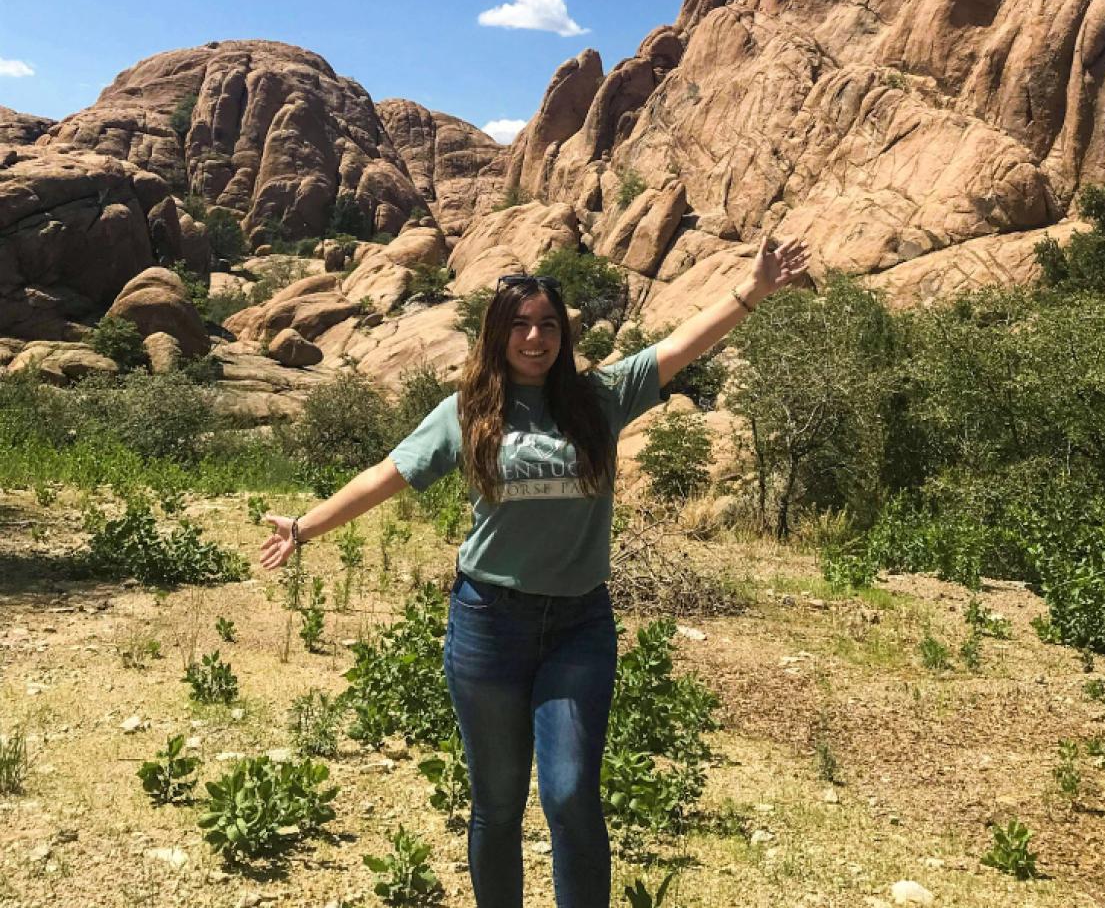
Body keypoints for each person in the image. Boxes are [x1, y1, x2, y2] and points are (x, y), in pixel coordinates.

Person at [261, 236, 808, 908]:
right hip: (489, 625)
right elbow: (388, 474)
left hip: (579, 625)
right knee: (496, 802)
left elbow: (680, 345)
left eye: (548, 324)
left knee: (572, 791)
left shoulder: (598, 399)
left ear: (563, 335)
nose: (534, 336)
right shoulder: (467, 411)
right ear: (497, 333)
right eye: (520, 323)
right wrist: (304, 527)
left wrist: (752, 290)